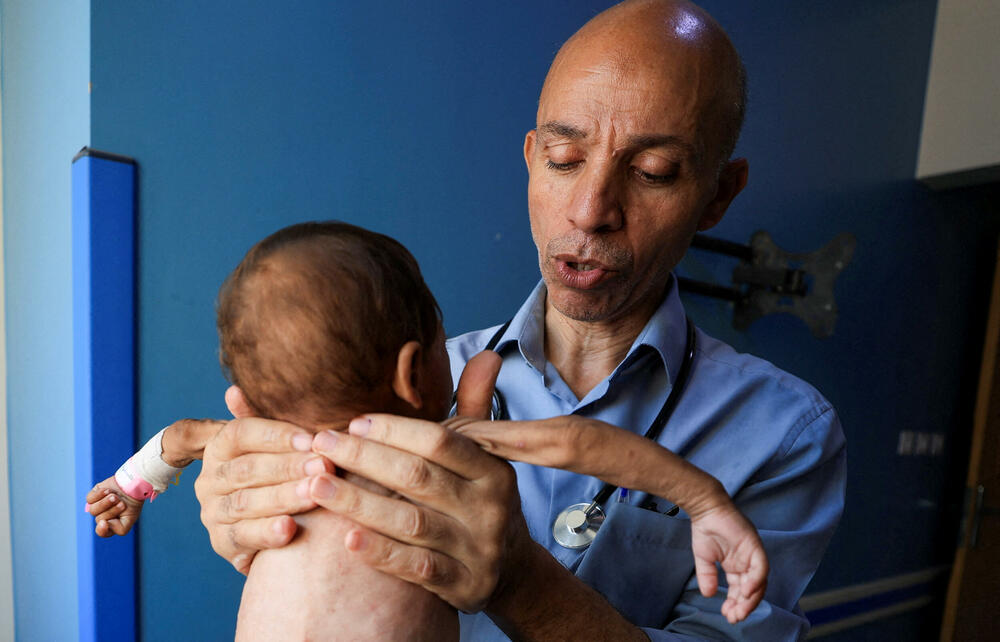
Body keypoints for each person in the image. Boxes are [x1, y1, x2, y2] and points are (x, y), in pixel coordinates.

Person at [193, 0, 846, 641]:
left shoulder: (786, 432)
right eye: (564, 160)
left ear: (718, 195)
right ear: (532, 157)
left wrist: (521, 582)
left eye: (654, 172)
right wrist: (250, 503)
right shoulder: (412, 385)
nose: (590, 210)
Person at [86, 220, 770, 634]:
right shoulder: (438, 451)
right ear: (417, 372)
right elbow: (583, 443)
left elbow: (178, 438)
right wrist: (707, 502)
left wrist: (131, 485)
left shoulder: (252, 444)